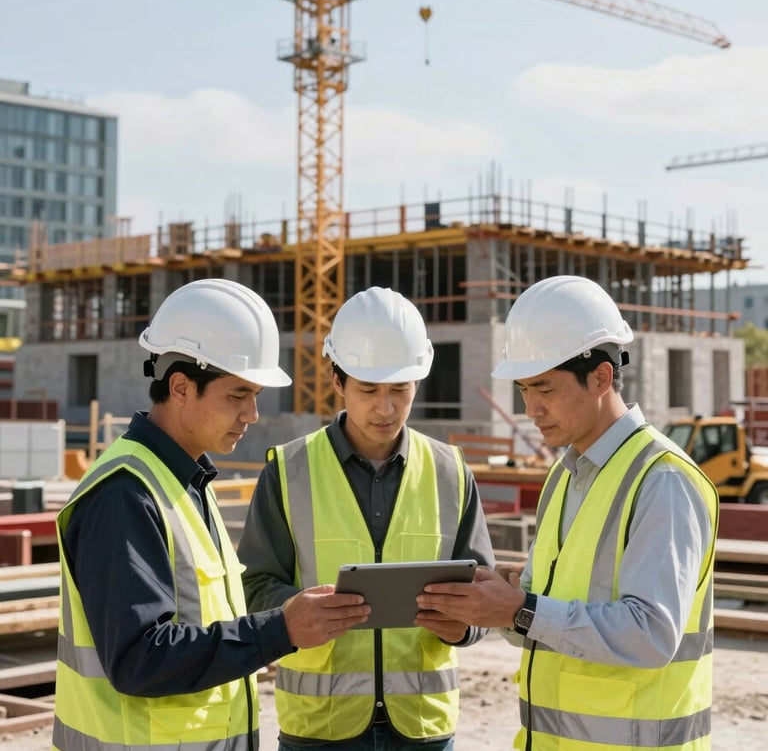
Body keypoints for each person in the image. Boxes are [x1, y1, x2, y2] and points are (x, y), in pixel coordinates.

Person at [52, 279, 370, 751]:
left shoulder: (185, 482)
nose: (253, 414)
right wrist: (280, 629)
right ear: (180, 387)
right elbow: (139, 659)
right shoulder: (125, 495)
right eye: (237, 395)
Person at [416, 275, 720, 750]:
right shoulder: (565, 475)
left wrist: (522, 609)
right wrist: (504, 604)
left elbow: (652, 635)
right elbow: (550, 621)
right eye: (523, 390)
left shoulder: (662, 481)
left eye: (545, 388)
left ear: (601, 376)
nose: (531, 408)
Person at [238, 285, 495, 750]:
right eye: (369, 389)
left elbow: (482, 592)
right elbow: (253, 586)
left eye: (400, 389)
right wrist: (300, 614)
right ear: (338, 382)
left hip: (423, 729)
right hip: (320, 729)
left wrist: (466, 626)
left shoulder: (451, 473)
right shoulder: (288, 471)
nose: (385, 407)